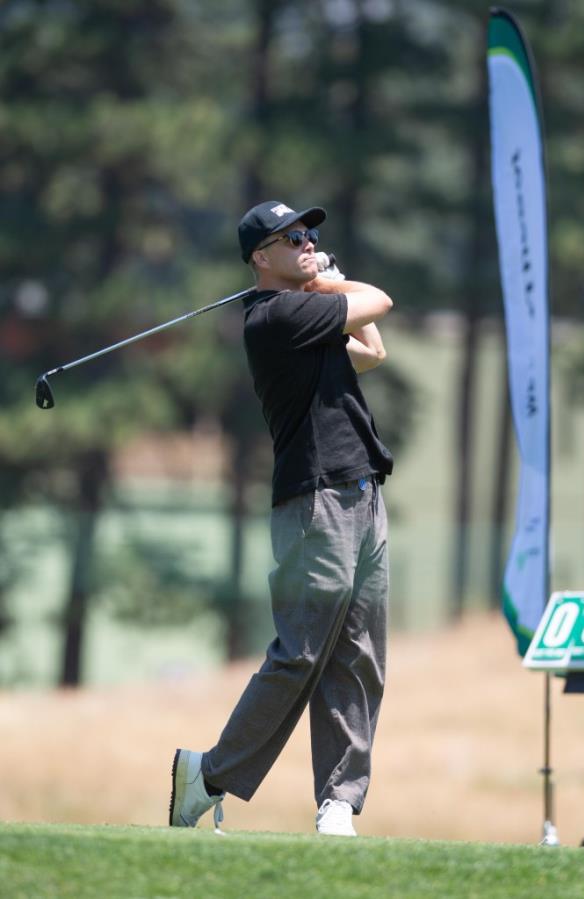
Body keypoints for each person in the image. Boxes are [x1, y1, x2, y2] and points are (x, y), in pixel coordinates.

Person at [169, 200, 394, 836]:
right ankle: (209, 773)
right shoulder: (276, 316)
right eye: (290, 238)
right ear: (260, 259)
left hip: (362, 492)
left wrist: (322, 281)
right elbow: (379, 300)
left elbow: (372, 351)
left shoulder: (307, 316)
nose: (305, 242)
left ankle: (339, 803)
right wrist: (327, 280)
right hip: (314, 501)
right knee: (301, 655)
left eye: (309, 234)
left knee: (360, 658)